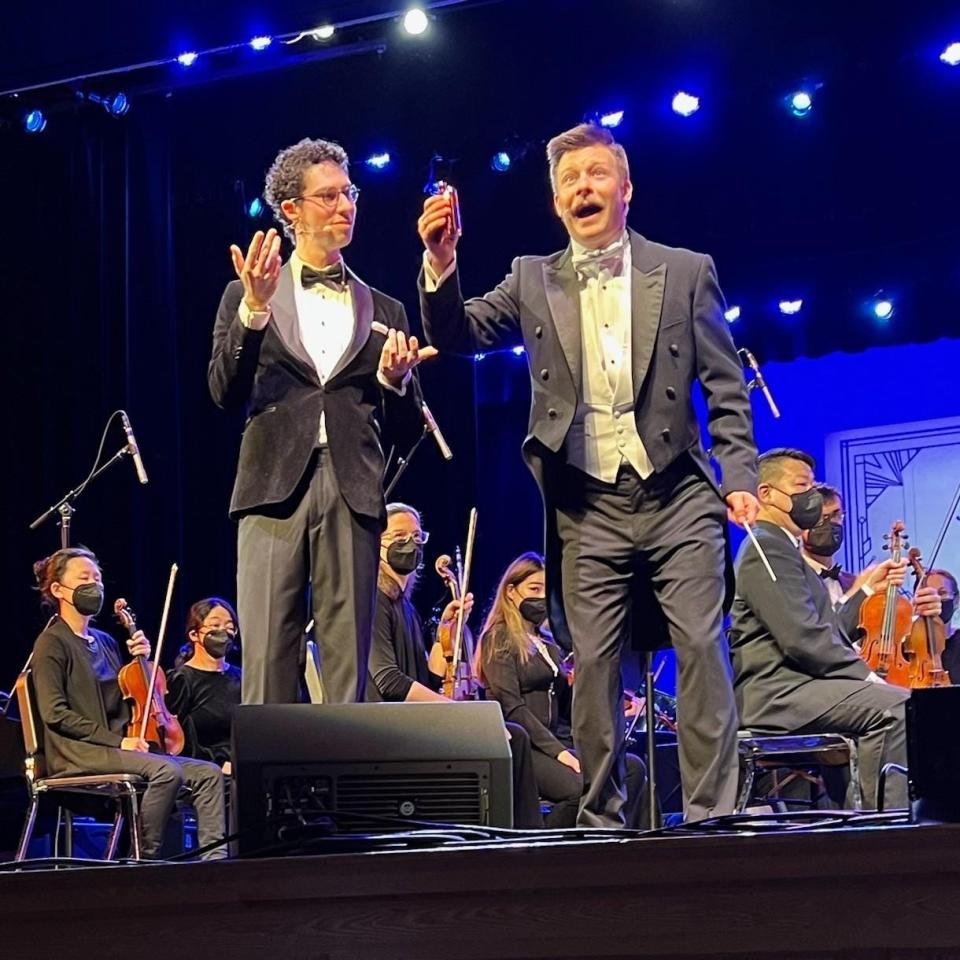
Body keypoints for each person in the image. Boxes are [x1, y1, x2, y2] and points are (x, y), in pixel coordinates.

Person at [417, 122, 758, 826]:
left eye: (596, 175)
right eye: (569, 181)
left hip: (678, 491)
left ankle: (712, 817)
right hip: (586, 502)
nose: (583, 189)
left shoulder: (686, 270)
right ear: (555, 202)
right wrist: (440, 262)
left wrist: (740, 476)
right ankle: (601, 820)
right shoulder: (531, 280)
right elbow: (457, 335)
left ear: (625, 190)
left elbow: (726, 388)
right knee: (595, 664)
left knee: (700, 642)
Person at [210, 137, 433, 706]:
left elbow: (408, 432)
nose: (345, 206)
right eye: (328, 196)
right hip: (271, 486)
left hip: (354, 488)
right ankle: (266, 797)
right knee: (266, 658)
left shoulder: (386, 309)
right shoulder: (245, 293)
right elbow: (222, 392)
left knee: (348, 669)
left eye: (349, 193)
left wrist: (396, 382)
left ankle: (347, 794)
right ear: (292, 211)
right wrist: (254, 312)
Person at [728, 448, 942, 809]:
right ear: (765, 494)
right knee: (895, 708)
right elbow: (802, 637)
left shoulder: (782, 547)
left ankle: (882, 813)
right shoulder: (766, 547)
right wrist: (865, 676)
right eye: (802, 485)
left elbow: (825, 629)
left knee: (904, 703)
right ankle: (882, 827)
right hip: (777, 694)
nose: (810, 496)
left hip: (802, 687)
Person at [29, 547, 226, 859]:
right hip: (78, 752)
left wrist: (143, 664)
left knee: (208, 773)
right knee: (166, 772)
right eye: (84, 578)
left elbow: (126, 701)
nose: (95, 586)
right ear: (58, 590)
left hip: (116, 748)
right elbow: (55, 714)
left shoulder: (105, 641)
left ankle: (216, 863)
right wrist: (120, 740)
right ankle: (143, 857)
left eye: (98, 578)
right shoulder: (52, 643)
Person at [367, 503, 543, 828]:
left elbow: (426, 675)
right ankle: (510, 837)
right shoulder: (373, 600)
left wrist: (444, 633)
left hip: (411, 721)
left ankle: (514, 835)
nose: (411, 544)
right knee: (510, 737)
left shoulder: (404, 605)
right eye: (399, 536)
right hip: (389, 727)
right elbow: (389, 680)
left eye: (417, 537)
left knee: (513, 736)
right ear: (375, 544)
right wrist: (457, 712)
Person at [476, 552, 648, 829]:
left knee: (632, 769)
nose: (542, 597)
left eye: (547, 590)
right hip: (529, 747)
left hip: (561, 740)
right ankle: (551, 849)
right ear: (510, 591)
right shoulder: (498, 639)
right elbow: (512, 707)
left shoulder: (549, 642)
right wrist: (559, 752)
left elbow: (567, 705)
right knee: (580, 787)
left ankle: (624, 849)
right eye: (534, 589)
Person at [167, 598, 242, 774]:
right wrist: (218, 764)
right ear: (194, 635)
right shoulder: (182, 679)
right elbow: (176, 741)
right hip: (204, 772)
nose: (223, 632)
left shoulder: (242, 677)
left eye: (230, 627)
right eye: (215, 626)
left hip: (240, 768)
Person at [801, 483, 857, 607]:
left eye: (835, 515)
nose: (829, 524)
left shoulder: (854, 583)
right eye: (819, 518)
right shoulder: (793, 580)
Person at [927, 569, 959, 680]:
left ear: (956, 601)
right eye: (929, 594)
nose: (936, 600)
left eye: (942, 593)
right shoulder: (906, 642)